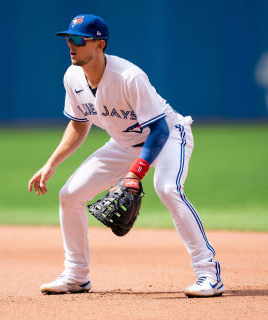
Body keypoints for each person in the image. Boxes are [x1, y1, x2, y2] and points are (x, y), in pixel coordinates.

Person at [28, 14, 224, 297]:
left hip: (169, 135)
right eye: (68, 39)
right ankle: (76, 276)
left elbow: (157, 130)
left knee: (167, 188)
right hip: (122, 143)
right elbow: (78, 124)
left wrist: (136, 172)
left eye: (79, 39)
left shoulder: (129, 77)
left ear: (100, 45)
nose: (71, 45)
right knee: (70, 195)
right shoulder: (72, 77)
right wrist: (51, 163)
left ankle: (209, 274)